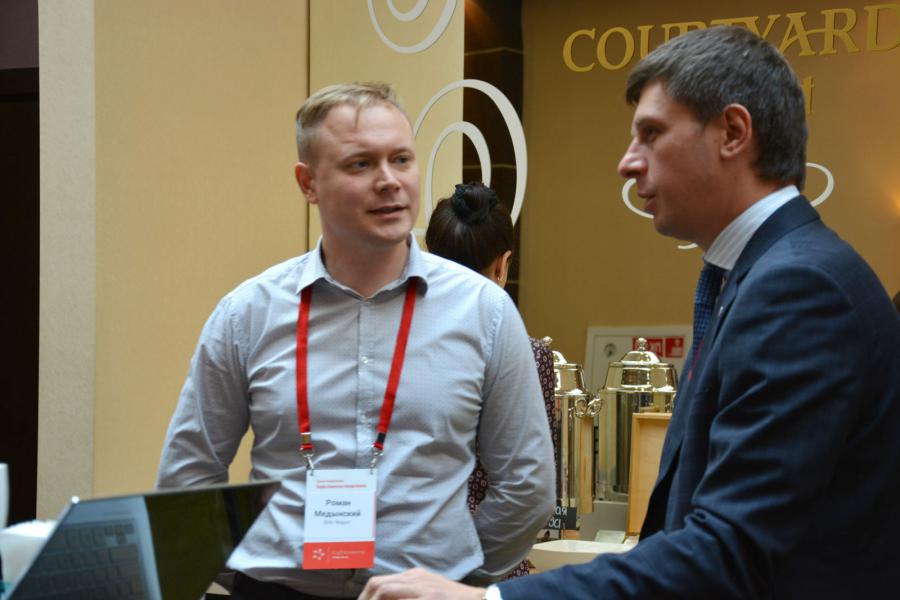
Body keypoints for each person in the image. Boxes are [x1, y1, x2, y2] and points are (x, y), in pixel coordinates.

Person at [359, 25, 900, 600]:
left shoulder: (797, 288)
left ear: (733, 133)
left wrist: (486, 598)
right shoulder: (762, 274)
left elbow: (730, 550)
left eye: (651, 133)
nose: (627, 163)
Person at [156, 82, 555, 599]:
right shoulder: (247, 314)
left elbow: (527, 484)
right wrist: (250, 572)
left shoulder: (485, 312)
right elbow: (188, 481)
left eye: (401, 159)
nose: (389, 181)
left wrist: (459, 577)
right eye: (360, 164)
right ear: (308, 183)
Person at [425, 182, 560, 579]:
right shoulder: (525, 352)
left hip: (404, 554)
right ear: (503, 265)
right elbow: (529, 484)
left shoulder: (398, 342)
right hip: (483, 559)